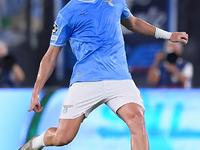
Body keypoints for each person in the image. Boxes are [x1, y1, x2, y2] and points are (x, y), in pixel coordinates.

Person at [18, 0, 188, 149]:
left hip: (120, 78)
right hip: (86, 81)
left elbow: (134, 23)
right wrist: (36, 92)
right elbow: (50, 57)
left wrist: (168, 35)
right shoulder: (67, 13)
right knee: (63, 138)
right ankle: (37, 142)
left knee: (137, 120)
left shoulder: (116, 1)